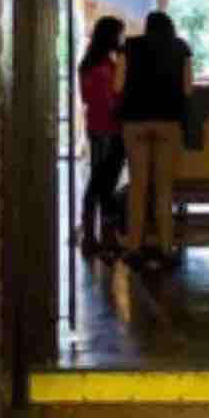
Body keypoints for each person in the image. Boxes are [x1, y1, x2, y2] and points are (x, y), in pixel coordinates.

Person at [117, 10, 191, 267]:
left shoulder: (129, 46)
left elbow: (117, 86)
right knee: (164, 188)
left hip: (134, 121)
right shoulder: (181, 47)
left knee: (138, 186)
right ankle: (166, 249)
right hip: (168, 122)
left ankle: (134, 248)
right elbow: (187, 89)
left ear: (147, 27)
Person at [75, 16, 127, 256]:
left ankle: (91, 236)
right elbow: (112, 100)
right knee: (104, 184)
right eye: (119, 34)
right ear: (111, 36)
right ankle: (105, 238)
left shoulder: (87, 64)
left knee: (98, 182)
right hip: (110, 129)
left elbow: (87, 98)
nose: (122, 39)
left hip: (95, 127)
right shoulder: (106, 67)